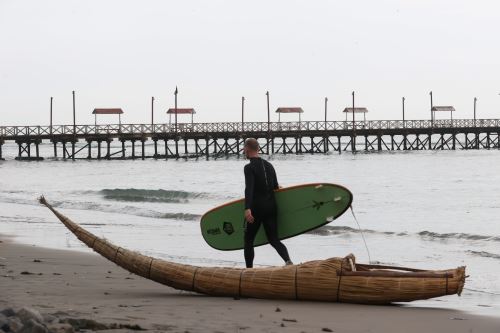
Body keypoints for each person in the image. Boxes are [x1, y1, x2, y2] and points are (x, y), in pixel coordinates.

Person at [243, 138, 292, 268]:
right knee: (274, 239)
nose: (244, 151)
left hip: (257, 209)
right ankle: (288, 262)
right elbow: (275, 186)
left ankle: (249, 271)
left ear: (247, 149)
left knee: (248, 240)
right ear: (258, 149)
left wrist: (247, 208)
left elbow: (249, 188)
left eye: (244, 149)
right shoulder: (269, 165)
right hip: (271, 208)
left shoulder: (249, 167)